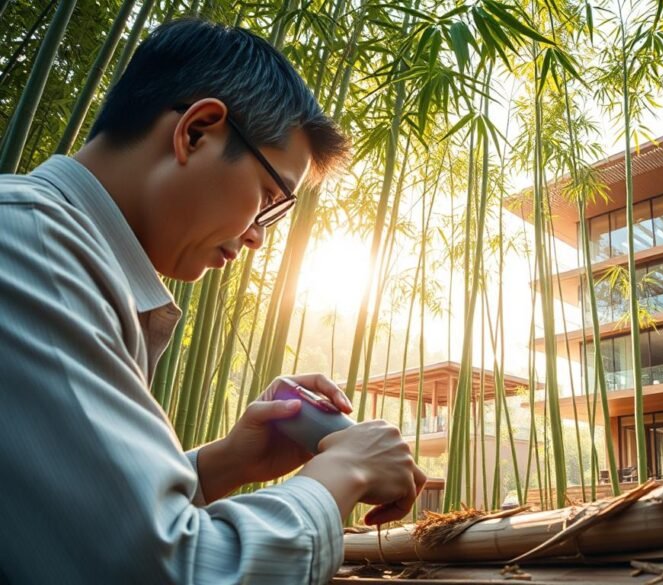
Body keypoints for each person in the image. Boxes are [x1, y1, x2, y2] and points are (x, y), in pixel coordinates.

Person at [0, 18, 426, 584]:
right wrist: (343, 472)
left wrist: (222, 464)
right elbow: (169, 570)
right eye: (269, 199)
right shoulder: (32, 250)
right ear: (197, 131)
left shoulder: (53, 248)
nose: (257, 236)